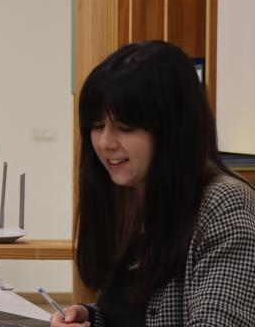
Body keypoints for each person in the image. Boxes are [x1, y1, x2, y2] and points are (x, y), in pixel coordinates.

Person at [51, 41, 255, 327]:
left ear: (172, 130)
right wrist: (93, 318)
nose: (106, 142)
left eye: (125, 128)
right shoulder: (129, 196)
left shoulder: (224, 204)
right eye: (97, 126)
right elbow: (137, 311)